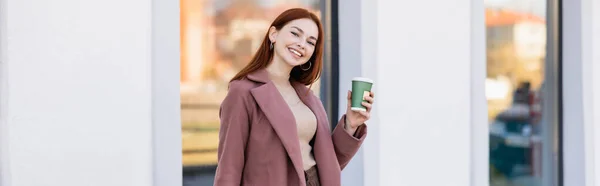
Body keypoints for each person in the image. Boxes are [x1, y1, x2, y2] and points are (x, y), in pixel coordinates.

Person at [214, 8, 375, 186]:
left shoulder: (308, 97)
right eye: (295, 34)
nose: (301, 44)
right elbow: (229, 168)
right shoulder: (242, 92)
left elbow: (328, 164)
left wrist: (351, 124)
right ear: (273, 34)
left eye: (310, 42)